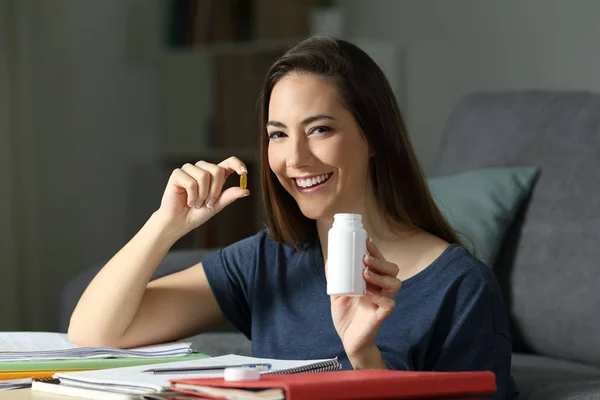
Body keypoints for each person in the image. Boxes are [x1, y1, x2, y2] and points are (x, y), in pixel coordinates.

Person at [68, 36, 517, 399]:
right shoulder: (268, 261)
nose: (295, 158)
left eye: (320, 129)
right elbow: (94, 333)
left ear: (374, 137)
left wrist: (365, 359)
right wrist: (165, 224)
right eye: (278, 135)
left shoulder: (460, 288)